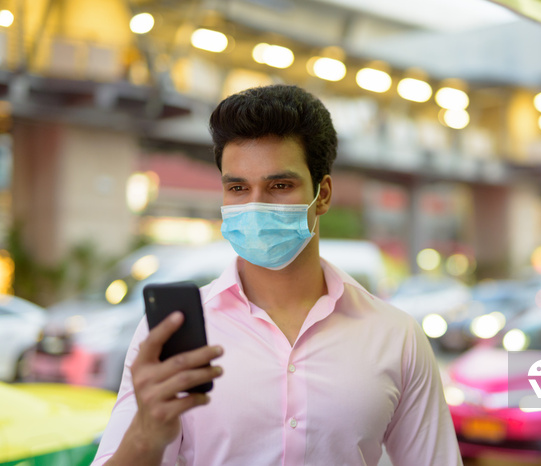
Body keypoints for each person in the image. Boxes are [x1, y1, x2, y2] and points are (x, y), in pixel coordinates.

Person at [92, 84, 463, 465]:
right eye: (237, 187)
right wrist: (146, 436)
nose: (254, 205)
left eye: (280, 186)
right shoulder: (172, 334)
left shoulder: (395, 336)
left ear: (322, 195)